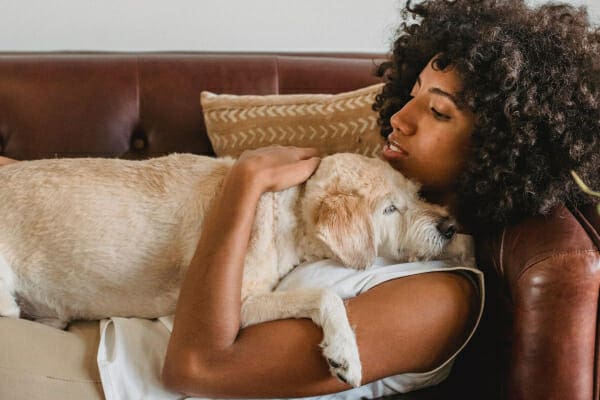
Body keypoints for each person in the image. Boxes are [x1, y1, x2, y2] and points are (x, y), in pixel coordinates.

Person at [2, 0, 599, 398]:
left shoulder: (437, 300)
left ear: (498, 147)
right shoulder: (376, 199)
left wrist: (244, 184)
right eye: (413, 92)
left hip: (98, 377)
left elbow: (196, 368)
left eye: (439, 111)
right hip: (83, 321)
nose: (401, 117)